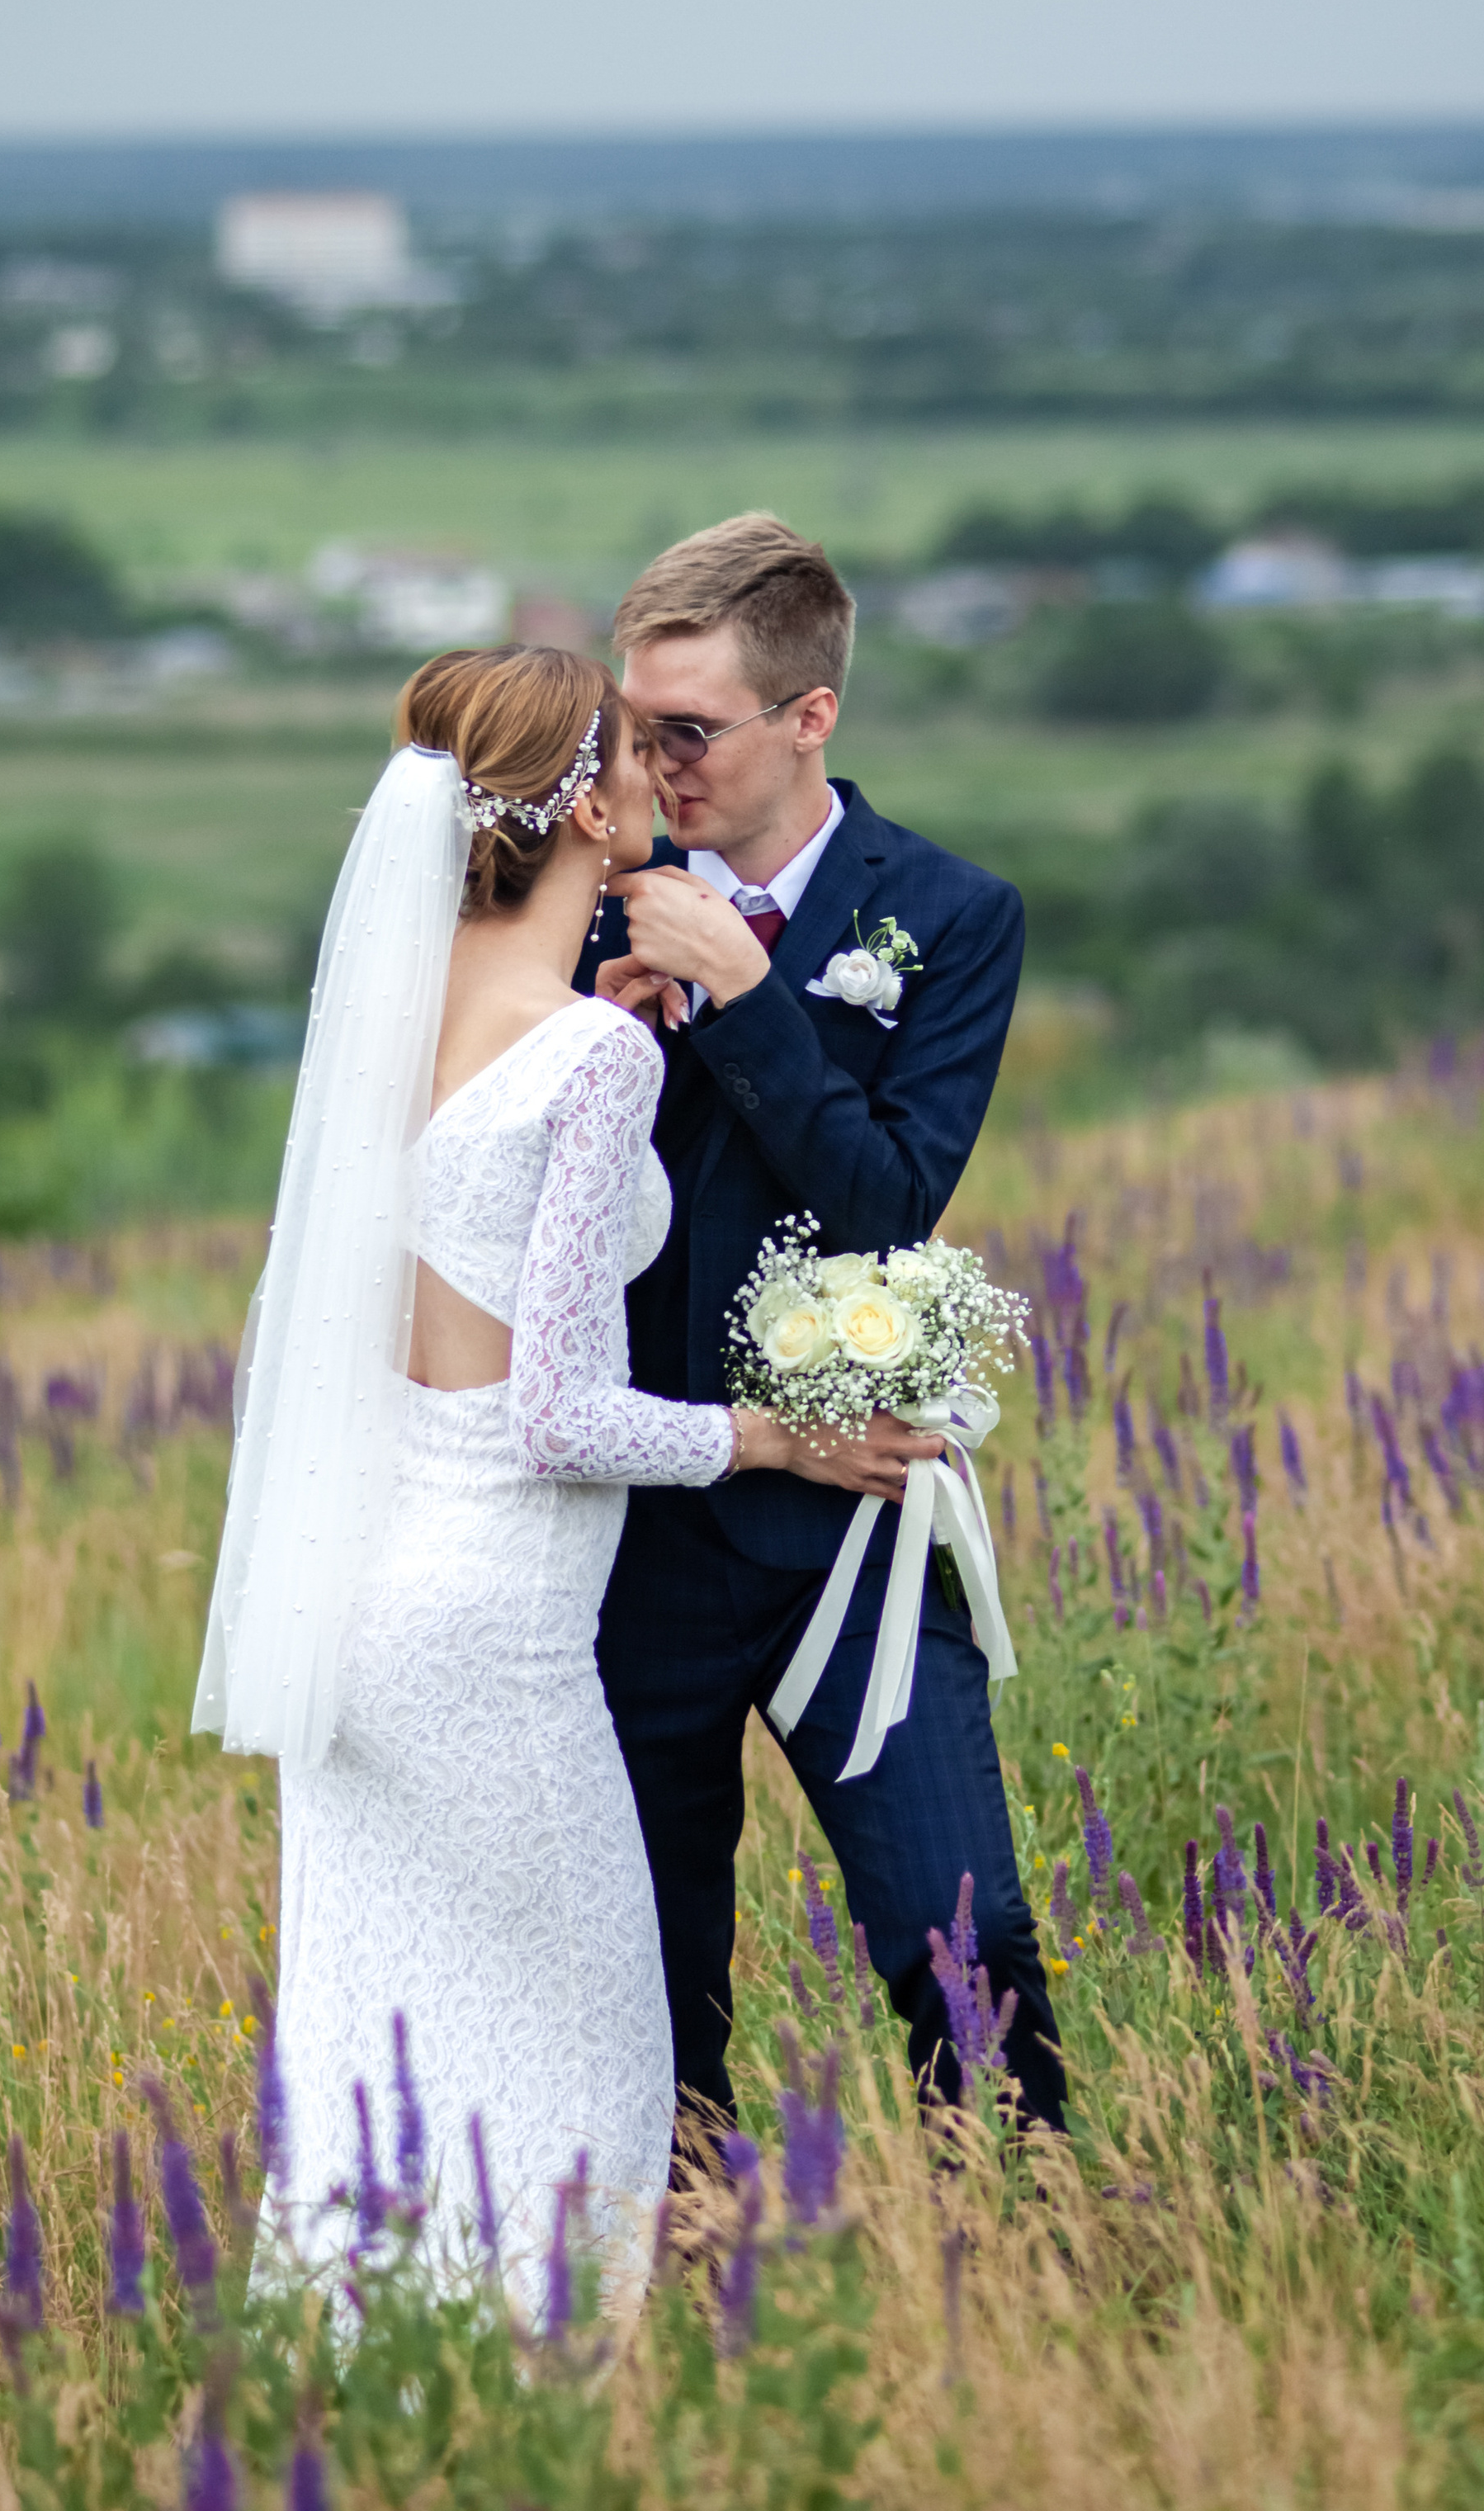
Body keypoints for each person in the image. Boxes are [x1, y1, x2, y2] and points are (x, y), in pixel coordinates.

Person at [191, 644, 938, 2293]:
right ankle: (561, 2409)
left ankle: (372, 2405)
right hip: (492, 1637)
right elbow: (557, 1420)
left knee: (382, 2063)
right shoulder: (591, 1060)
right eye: (628, 756)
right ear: (584, 807)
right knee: (597, 2073)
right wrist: (774, 1436)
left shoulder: (397, 1018)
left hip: (364, 1613)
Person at [579, 513, 1067, 2137]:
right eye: (636, 729)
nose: (657, 764)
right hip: (622, 1528)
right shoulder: (584, 911)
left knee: (963, 1929)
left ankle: (1031, 2272)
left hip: (846, 1519)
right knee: (653, 1978)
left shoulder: (951, 912)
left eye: (690, 732)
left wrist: (745, 989)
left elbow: (883, 1206)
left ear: (809, 717)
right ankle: (676, 2311)